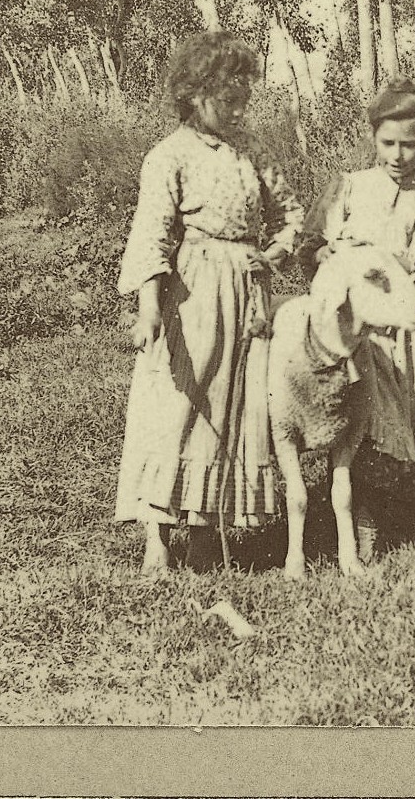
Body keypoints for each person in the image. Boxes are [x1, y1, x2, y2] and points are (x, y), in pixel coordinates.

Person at [115, 31, 305, 577]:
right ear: (194, 94)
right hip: (190, 291)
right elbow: (151, 234)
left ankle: (203, 529)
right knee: (177, 404)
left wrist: (271, 256)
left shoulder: (253, 151)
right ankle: (157, 532)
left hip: (247, 295)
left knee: (234, 405)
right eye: (228, 96)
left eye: (245, 93)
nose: (239, 105)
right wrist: (149, 305)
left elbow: (291, 213)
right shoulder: (168, 156)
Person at [302, 79, 415, 560]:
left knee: (404, 412)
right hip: (354, 330)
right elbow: (311, 247)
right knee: (354, 419)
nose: (397, 155)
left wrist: (377, 263)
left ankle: (397, 510)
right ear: (373, 138)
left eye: (409, 145)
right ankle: (357, 514)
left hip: (402, 329)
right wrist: (328, 252)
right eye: (388, 143)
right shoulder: (347, 188)